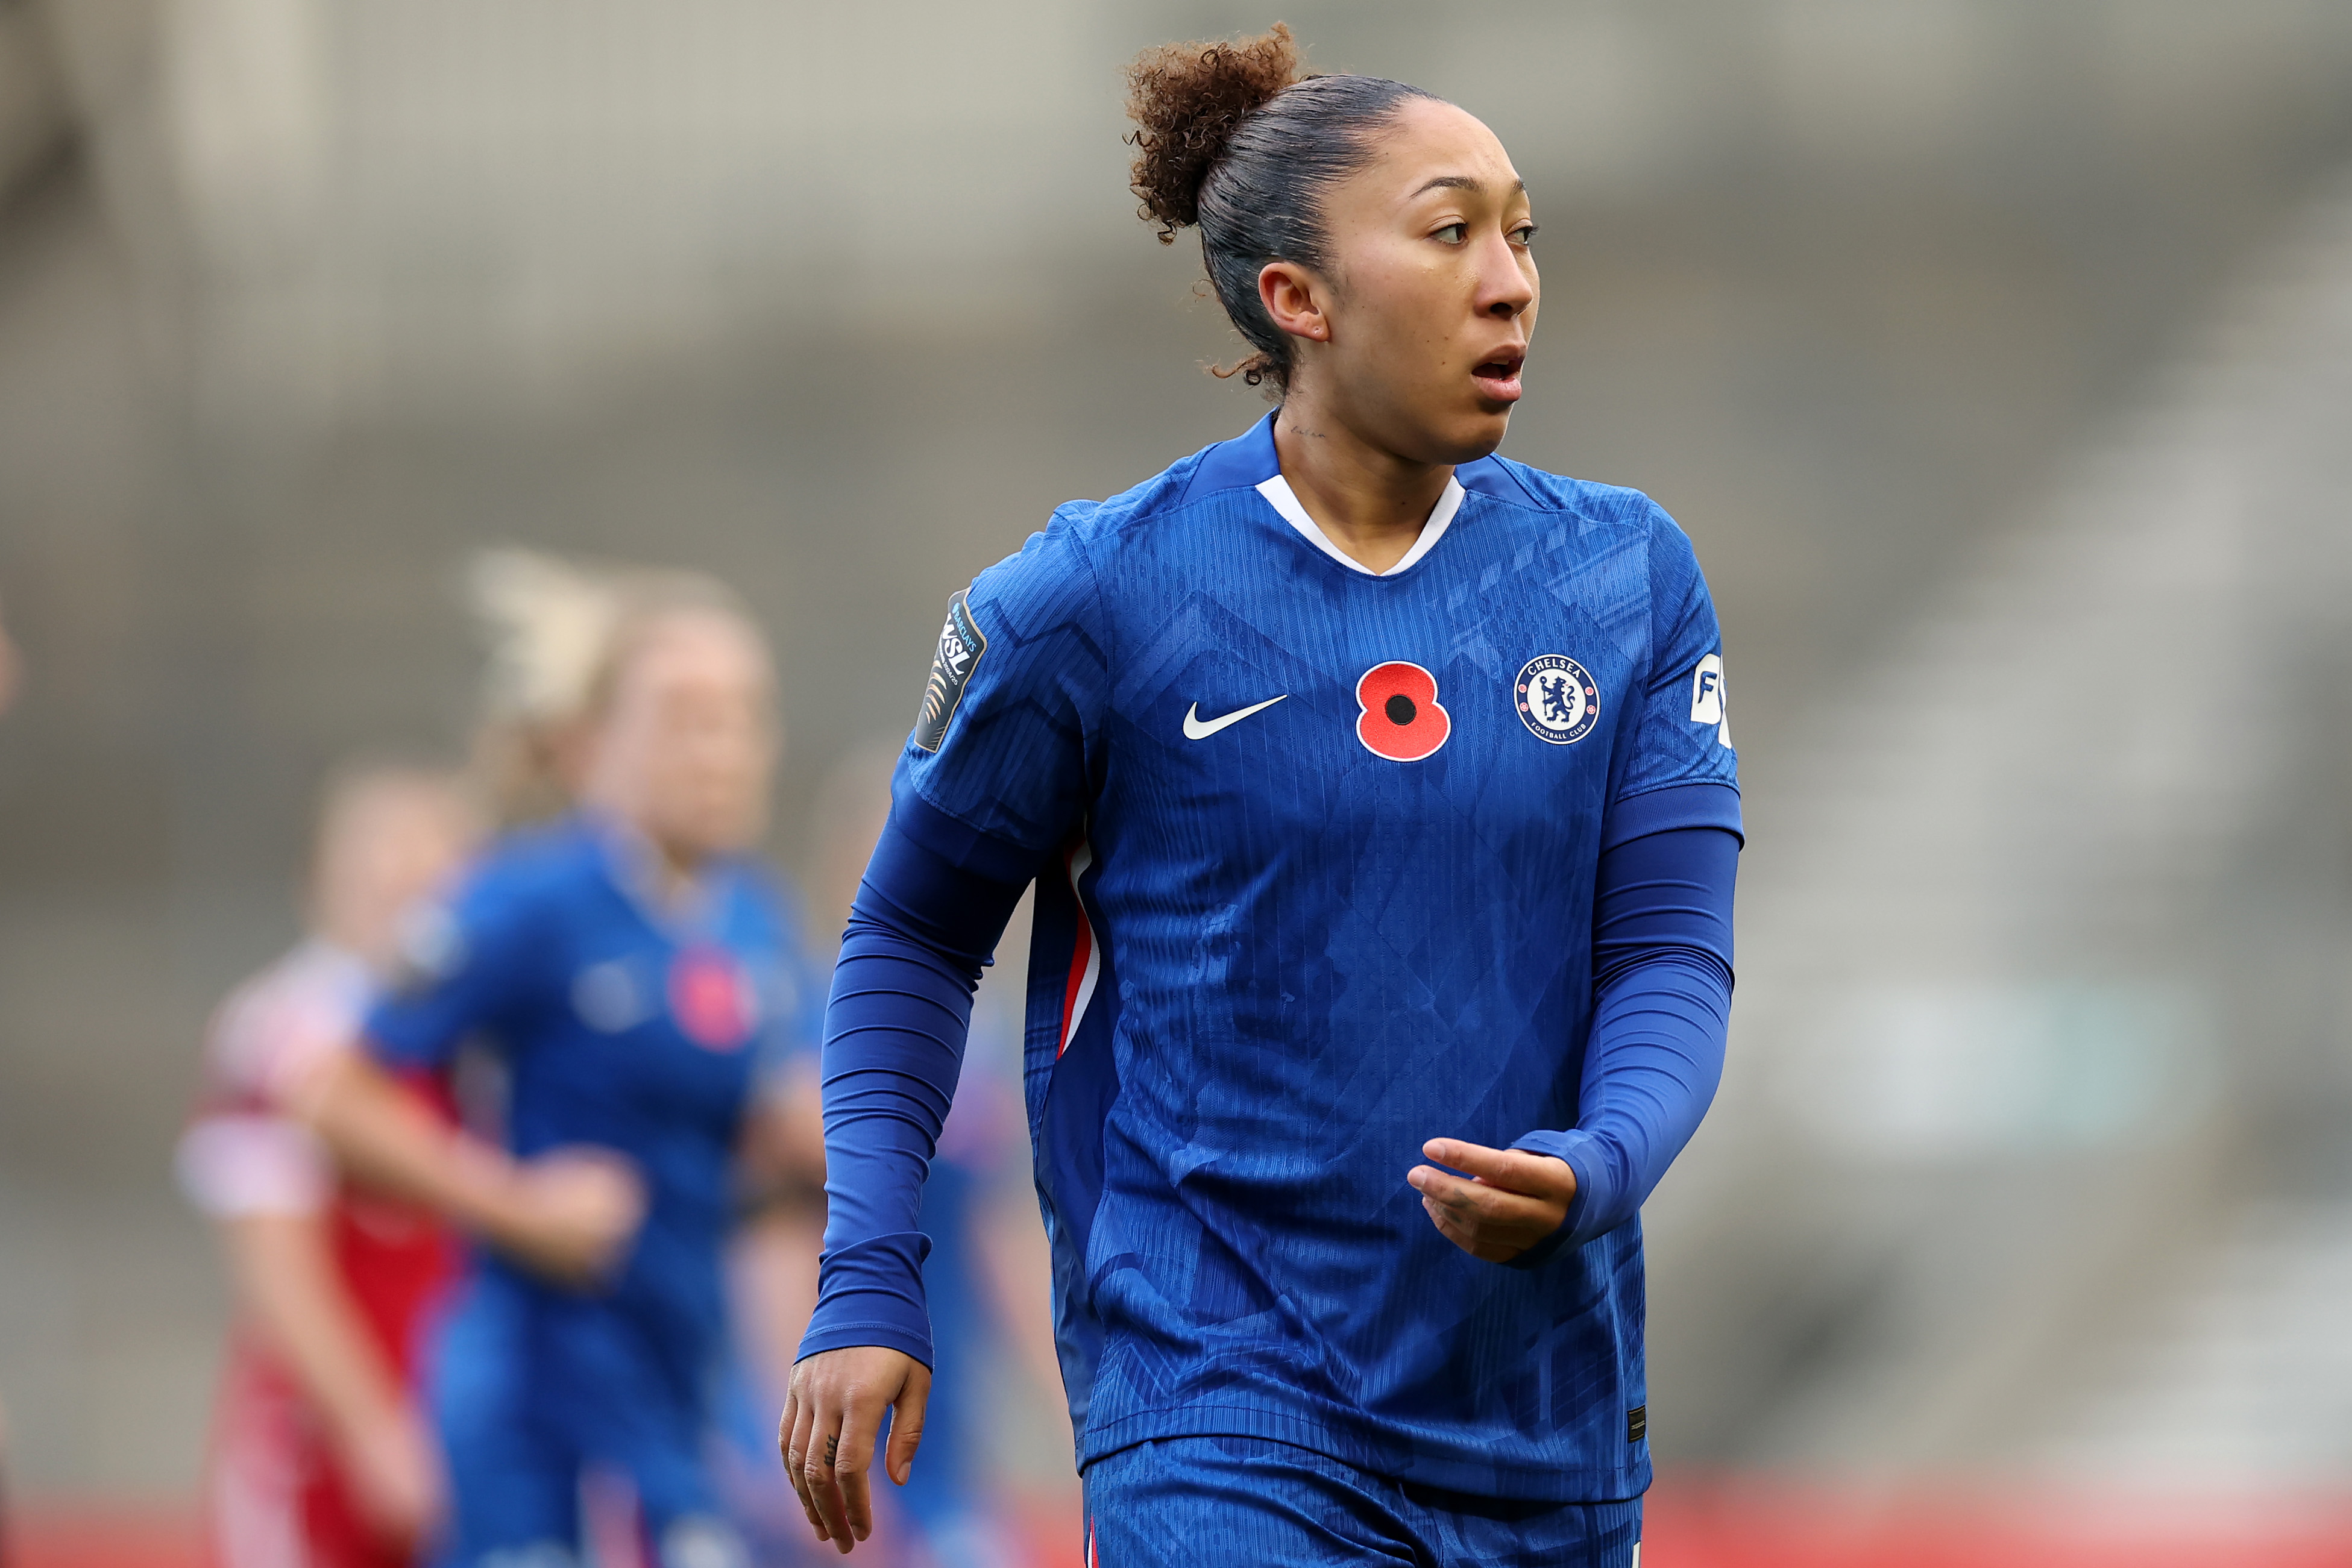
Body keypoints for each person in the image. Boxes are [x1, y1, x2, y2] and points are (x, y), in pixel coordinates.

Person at [782, 26, 1741, 1567]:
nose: (1509, 279)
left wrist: (1598, 1159)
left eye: (1519, 231)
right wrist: (867, 1277)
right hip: (1222, 1406)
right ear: (1297, 299)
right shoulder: (1094, 595)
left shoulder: (1621, 575)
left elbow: (1668, 955)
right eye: (1449, 232)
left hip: (1542, 1414)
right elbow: (907, 939)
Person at [306, 573, 822, 1568]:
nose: (718, 750)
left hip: (677, 1391)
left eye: (742, 719)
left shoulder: (755, 918)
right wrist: (510, 1201)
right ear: (592, 742)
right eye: (683, 718)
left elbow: (768, 1149)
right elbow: (328, 1095)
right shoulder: (529, 899)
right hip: (535, 1399)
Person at [178, 764, 479, 1568]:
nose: (407, 876)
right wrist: (373, 1426)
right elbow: (276, 1267)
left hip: (462, 1423)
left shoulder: (479, 1041)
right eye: (380, 850)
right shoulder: (279, 1028)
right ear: (319, 878)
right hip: (319, 1448)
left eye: (435, 852)